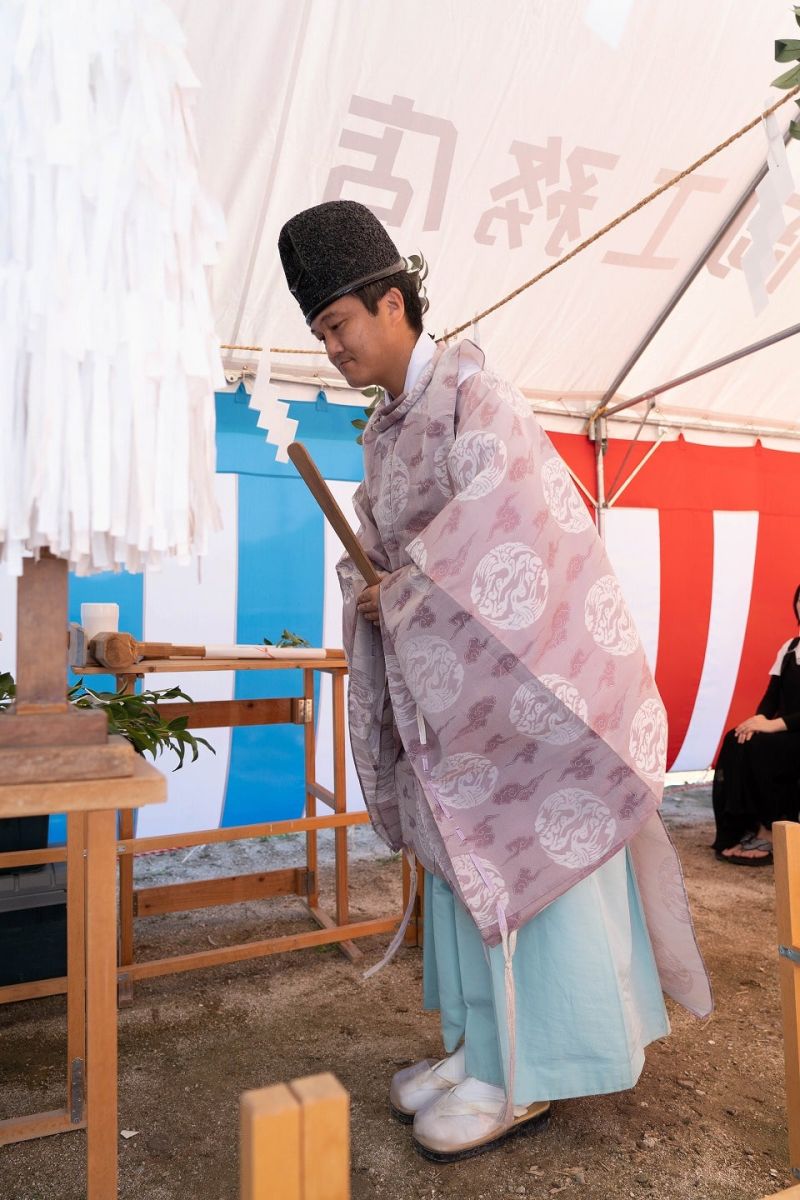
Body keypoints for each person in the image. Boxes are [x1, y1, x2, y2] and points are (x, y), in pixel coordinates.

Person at [278, 200, 711, 1162]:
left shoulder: (481, 399)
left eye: (338, 325)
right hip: (460, 700)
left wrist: (410, 592)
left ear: (392, 303)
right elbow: (389, 558)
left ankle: (530, 1071)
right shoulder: (386, 431)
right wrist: (378, 588)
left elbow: (511, 533)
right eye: (319, 334)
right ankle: (481, 1043)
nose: (332, 348)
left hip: (538, 698)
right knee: (463, 866)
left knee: (527, 870)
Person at [712, 586, 800, 866]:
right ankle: (741, 829)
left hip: (790, 731)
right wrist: (756, 722)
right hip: (783, 730)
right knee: (736, 739)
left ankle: (771, 831)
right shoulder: (790, 647)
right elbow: (771, 697)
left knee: (765, 748)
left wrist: (772, 726)